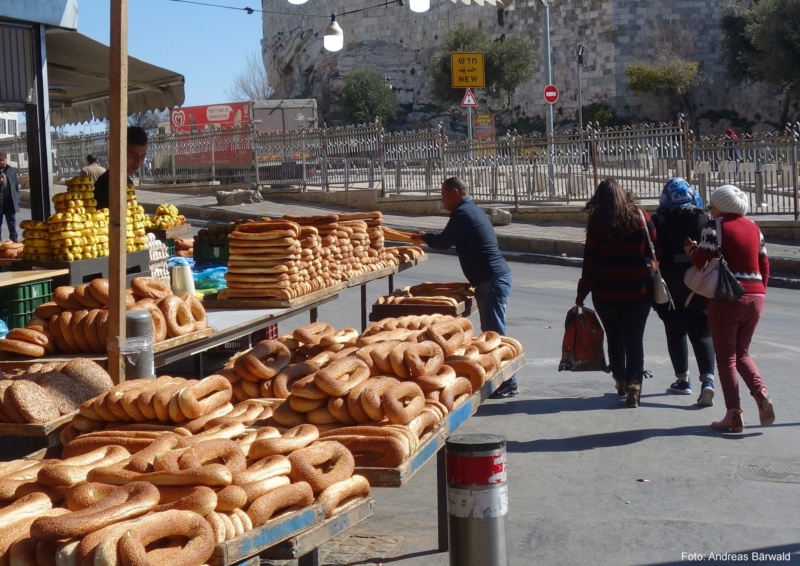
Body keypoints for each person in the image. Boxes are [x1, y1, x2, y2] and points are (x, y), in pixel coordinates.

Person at [412, 176, 517, 398]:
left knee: (494, 334)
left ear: (454, 193)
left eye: (443, 196)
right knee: (493, 332)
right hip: (493, 279)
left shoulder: (462, 214)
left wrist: (423, 237)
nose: (443, 201)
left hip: (491, 280)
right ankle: (504, 380)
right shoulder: (472, 210)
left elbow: (443, 241)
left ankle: (508, 383)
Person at [684, 185, 773, 433]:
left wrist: (692, 250)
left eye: (712, 204)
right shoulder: (755, 228)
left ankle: (734, 414)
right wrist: (759, 292)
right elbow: (765, 265)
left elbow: (702, 261)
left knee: (726, 358)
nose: (710, 209)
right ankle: (760, 391)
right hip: (755, 298)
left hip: (727, 298)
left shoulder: (715, 226)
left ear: (720, 206)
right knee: (742, 352)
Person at [575, 178, 654, 408]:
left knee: (615, 337)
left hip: (606, 293)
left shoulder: (598, 223)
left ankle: (620, 379)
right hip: (638, 292)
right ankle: (635, 386)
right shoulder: (642, 218)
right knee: (635, 339)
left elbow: (590, 263)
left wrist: (581, 294)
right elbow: (655, 249)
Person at [651, 178, 716, 406]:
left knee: (675, 328)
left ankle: (682, 380)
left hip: (670, 283)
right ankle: (708, 381)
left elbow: (653, 249)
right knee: (702, 331)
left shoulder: (659, 219)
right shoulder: (703, 219)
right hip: (699, 282)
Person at [94, 126, 148, 209]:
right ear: (120, 152)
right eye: (133, 155)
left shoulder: (128, 182)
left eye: (142, 156)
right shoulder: (107, 183)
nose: (138, 161)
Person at [0, 151, 21, 243]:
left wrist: (17, 199)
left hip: (10, 202)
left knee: (12, 224)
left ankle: (14, 242)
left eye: (4, 159)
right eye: (0, 160)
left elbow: (16, 186)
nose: (3, 162)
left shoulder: (12, 170)